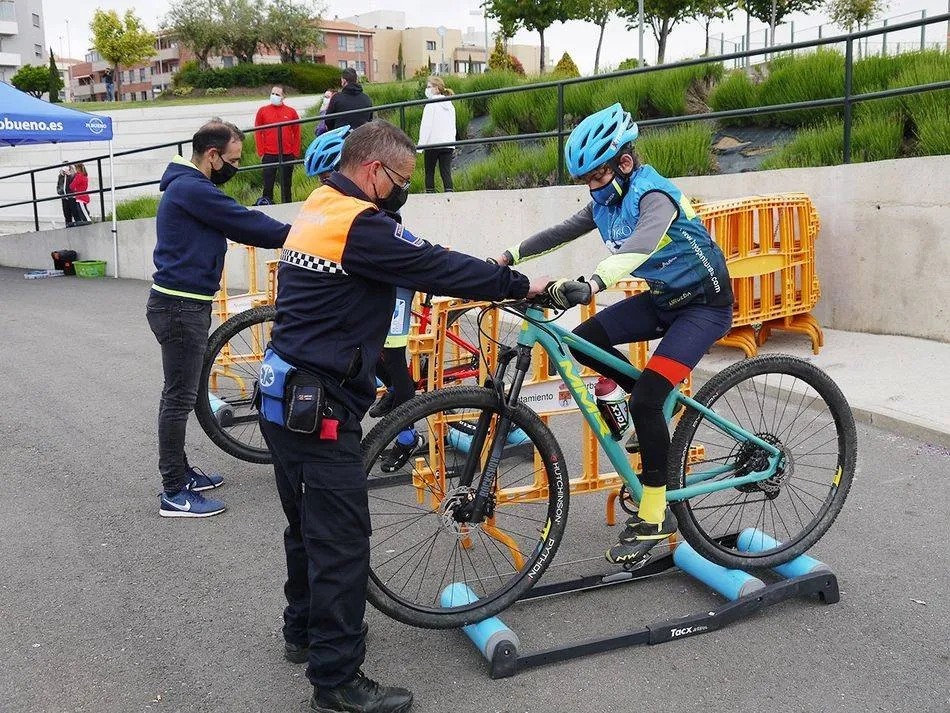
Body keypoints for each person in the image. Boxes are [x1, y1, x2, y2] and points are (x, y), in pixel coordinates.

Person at [259, 120, 546, 713]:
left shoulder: (320, 205)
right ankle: (336, 682)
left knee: (305, 526)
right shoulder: (359, 226)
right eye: (401, 180)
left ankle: (303, 632)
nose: (403, 190)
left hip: (280, 392)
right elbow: (435, 265)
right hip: (318, 405)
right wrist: (517, 285)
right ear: (372, 171)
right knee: (341, 541)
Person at [492, 103, 734, 568]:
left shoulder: (653, 195)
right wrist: (507, 256)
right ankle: (650, 404)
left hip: (703, 308)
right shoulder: (607, 198)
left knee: (646, 401)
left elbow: (641, 243)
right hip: (665, 300)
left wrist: (593, 284)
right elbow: (562, 231)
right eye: (586, 180)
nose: (592, 187)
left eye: (597, 176)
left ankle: (655, 513)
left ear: (625, 163)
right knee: (583, 338)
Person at [148, 119, 290, 519]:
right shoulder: (192, 188)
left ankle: (180, 475)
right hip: (179, 308)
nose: (236, 166)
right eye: (233, 159)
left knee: (184, 395)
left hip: (182, 305)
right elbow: (244, 222)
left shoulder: (189, 187)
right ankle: (174, 491)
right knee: (177, 398)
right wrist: (301, 235)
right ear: (212, 156)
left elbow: (240, 224)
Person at [254, 85, 301, 204]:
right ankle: (267, 204)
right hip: (269, 154)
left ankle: (287, 205)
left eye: (277, 94)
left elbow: (296, 131)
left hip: (287, 153)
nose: (274, 96)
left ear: (284, 96)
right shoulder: (262, 111)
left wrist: (295, 152)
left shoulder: (291, 112)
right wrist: (261, 151)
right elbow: (258, 131)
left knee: (286, 184)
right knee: (268, 184)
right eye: (273, 93)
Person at [418, 76, 455, 193]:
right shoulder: (450, 105)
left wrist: (420, 146)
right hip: (448, 143)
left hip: (432, 144)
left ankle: (430, 196)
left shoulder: (431, 104)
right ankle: (450, 196)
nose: (427, 89)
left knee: (429, 172)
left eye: (429, 87)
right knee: (446, 172)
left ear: (437, 88)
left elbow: (426, 127)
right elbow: (453, 125)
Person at [322, 68, 373, 132]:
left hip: (341, 138)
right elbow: (370, 119)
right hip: (362, 137)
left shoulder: (336, 98)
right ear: (356, 80)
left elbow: (328, 121)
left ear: (344, 81)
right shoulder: (367, 98)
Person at [56, 163, 75, 227]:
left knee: (75, 213)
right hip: (64, 197)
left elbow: (74, 184)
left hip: (71, 197)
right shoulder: (60, 176)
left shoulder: (72, 175)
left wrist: (69, 175)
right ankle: (68, 227)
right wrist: (60, 191)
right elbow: (59, 185)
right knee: (66, 215)